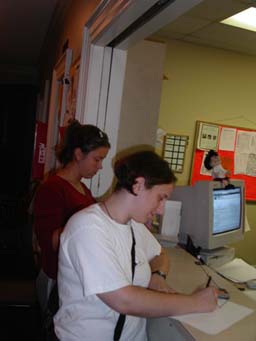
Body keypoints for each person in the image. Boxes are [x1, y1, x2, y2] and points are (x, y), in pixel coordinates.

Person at [54, 150, 217, 341]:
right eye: (161, 197)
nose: (162, 209)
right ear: (138, 185)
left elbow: (160, 255)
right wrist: (195, 303)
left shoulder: (133, 225)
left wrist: (157, 276)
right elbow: (123, 300)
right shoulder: (87, 228)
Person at [33, 120, 110, 312]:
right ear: (78, 154)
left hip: (71, 277)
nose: (100, 167)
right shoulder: (53, 188)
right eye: (97, 159)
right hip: (57, 280)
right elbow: (49, 241)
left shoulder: (82, 188)